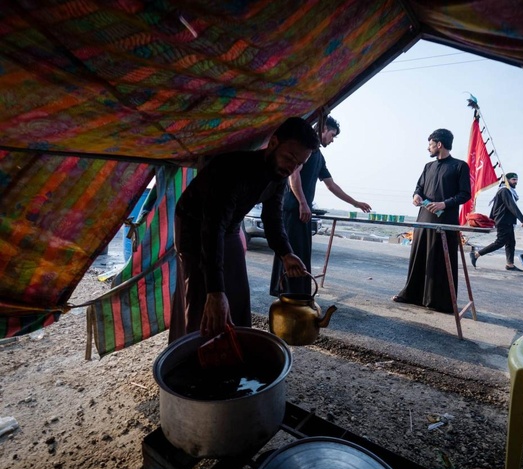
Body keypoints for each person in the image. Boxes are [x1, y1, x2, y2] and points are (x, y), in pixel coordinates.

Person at [170, 117, 319, 342]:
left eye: (299, 164)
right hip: (194, 224)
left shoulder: (278, 177)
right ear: (273, 143)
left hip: (228, 226)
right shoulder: (231, 169)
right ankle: (192, 354)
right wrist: (215, 292)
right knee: (204, 294)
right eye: (289, 157)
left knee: (237, 291)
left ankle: (234, 349)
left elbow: (273, 219)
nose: (291, 167)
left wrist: (285, 253)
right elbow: (212, 229)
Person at [270, 116, 371, 295]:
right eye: (332, 135)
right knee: (291, 253)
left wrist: (355, 203)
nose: (332, 140)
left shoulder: (318, 156)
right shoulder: (305, 150)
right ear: (323, 129)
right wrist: (302, 203)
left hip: (303, 211)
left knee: (301, 253)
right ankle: (288, 294)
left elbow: (331, 186)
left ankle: (298, 294)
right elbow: (294, 175)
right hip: (294, 209)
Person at [392, 128, 471, 313]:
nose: (428, 148)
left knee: (441, 259)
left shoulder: (460, 166)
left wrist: (444, 204)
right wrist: (416, 196)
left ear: (439, 144)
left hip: (446, 220)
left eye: (430, 144)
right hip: (424, 218)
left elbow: (465, 194)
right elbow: (418, 187)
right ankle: (410, 294)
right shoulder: (428, 167)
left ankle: (441, 302)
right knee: (419, 256)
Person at [471, 173, 523, 271]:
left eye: (516, 179)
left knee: (510, 242)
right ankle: (476, 255)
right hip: (503, 221)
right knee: (500, 242)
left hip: (507, 221)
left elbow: (495, 207)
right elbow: (512, 206)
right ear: (507, 180)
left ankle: (510, 265)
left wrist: (491, 219)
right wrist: (522, 219)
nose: (516, 182)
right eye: (513, 180)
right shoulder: (504, 191)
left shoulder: (509, 191)